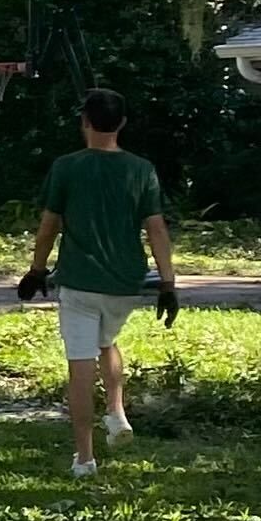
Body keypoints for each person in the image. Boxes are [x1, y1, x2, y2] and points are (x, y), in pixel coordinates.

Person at [19, 87, 178, 479]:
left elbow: (48, 226)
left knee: (80, 365)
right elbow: (156, 229)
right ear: (121, 123)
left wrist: (37, 269)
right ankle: (116, 412)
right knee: (106, 342)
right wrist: (168, 283)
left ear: (85, 122)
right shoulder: (141, 169)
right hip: (125, 284)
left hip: (79, 282)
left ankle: (85, 458)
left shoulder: (67, 166)